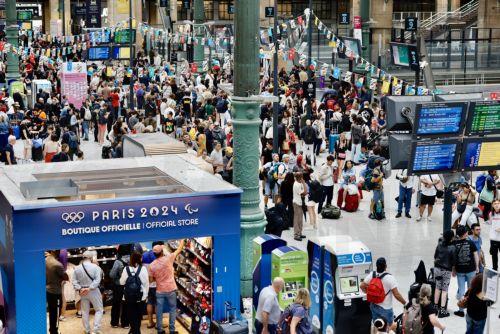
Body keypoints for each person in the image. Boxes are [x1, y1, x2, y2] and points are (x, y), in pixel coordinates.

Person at [149, 240, 185, 334]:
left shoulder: (152, 265)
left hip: (160, 290)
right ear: (162, 252)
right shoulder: (168, 258)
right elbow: (179, 250)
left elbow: (151, 280)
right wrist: (182, 240)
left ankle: (160, 330)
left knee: (159, 311)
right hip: (171, 289)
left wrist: (158, 278)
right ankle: (172, 330)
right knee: (172, 309)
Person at [361, 257, 406, 330]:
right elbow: (396, 295)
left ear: (376, 266)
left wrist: (368, 293)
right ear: (385, 266)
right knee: (389, 327)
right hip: (386, 308)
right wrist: (405, 303)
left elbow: (362, 286)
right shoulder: (390, 278)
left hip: (374, 306)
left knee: (378, 325)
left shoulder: (372, 275)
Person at [72, 251, 104, 334]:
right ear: (91, 258)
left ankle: (87, 330)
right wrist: (90, 288)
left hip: (82, 292)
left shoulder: (77, 268)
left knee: (85, 311)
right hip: (93, 291)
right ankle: (95, 330)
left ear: (83, 257)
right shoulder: (96, 267)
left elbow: (74, 281)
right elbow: (98, 280)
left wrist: (79, 289)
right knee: (99, 310)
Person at [453, 225, 480, 317]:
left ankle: (461, 310)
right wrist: (477, 266)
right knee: (471, 289)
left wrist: (453, 269)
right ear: (465, 234)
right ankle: (470, 308)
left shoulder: (454, 244)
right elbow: (476, 255)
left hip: (460, 270)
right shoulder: (470, 243)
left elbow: (453, 258)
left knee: (461, 290)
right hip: (471, 270)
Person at [120, 252, 149, 334]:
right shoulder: (143, 269)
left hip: (128, 297)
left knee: (131, 316)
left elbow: (122, 282)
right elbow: (146, 283)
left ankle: (134, 330)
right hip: (140, 296)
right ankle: (136, 331)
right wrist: (146, 296)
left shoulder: (126, 269)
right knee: (138, 316)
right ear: (140, 259)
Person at [433, 230, 455, 318]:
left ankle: (434, 308)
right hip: (447, 270)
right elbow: (453, 261)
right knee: (444, 290)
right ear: (452, 237)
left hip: (437, 268)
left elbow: (435, 256)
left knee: (437, 287)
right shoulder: (452, 248)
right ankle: (442, 310)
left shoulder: (439, 244)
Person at [46, 250, 68, 334]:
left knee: (52, 312)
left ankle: (52, 330)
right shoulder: (57, 264)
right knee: (56, 313)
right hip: (55, 291)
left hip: (48, 289)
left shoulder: (45, 260)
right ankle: (54, 331)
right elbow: (65, 277)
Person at [109, 245, 131, 329]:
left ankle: (114, 322)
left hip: (118, 286)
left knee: (116, 304)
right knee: (126, 304)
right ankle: (125, 323)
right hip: (128, 286)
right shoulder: (132, 259)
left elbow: (112, 275)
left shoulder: (118, 262)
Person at [292, 172, 307, 241]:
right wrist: (304, 183)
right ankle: (296, 234)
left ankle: (300, 233)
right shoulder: (296, 185)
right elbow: (305, 192)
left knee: (300, 219)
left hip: (300, 203)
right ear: (300, 178)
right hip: (297, 203)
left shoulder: (299, 183)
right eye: (302, 177)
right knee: (297, 219)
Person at [490, 199, 500, 271]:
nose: (497, 205)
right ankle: (495, 270)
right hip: (493, 238)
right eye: (495, 203)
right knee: (494, 256)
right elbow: (491, 225)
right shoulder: (491, 214)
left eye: (498, 203)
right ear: (493, 205)